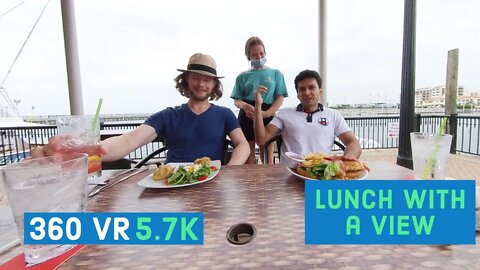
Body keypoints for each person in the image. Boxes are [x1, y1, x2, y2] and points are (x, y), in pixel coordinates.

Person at [32, 53, 250, 165]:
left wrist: (230, 171)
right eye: (196, 78)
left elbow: (242, 145)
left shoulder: (224, 114)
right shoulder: (167, 116)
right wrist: (85, 149)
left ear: (214, 85)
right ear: (186, 80)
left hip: (212, 185)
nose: (201, 84)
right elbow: (128, 141)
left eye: (207, 80)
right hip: (171, 185)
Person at [254, 69, 361, 161]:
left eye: (311, 87)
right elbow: (262, 139)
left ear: (320, 91)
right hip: (289, 174)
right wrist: (258, 106)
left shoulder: (333, 115)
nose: (307, 92)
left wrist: (345, 161)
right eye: (302, 89)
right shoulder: (285, 114)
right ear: (297, 95)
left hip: (321, 175)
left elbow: (353, 143)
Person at [231, 36, 288, 164]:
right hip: (247, 114)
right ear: (248, 57)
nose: (259, 57)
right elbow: (237, 100)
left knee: (267, 158)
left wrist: (266, 113)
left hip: (268, 111)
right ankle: (250, 183)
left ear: (265, 53)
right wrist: (246, 107)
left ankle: (267, 183)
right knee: (248, 157)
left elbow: (280, 97)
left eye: (261, 54)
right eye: (255, 55)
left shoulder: (276, 73)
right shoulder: (242, 76)